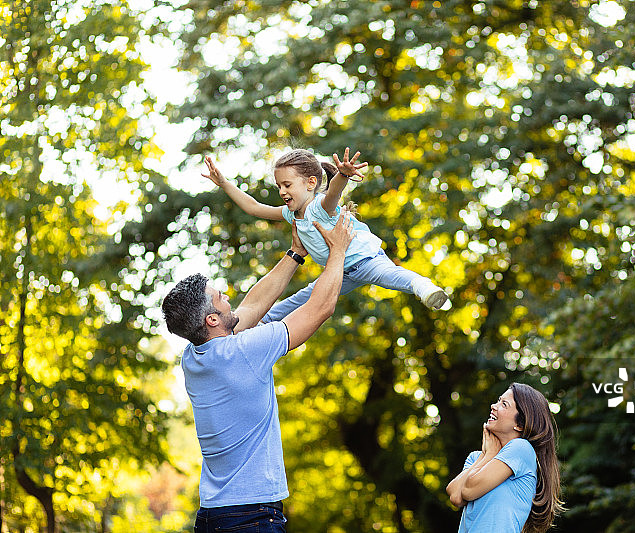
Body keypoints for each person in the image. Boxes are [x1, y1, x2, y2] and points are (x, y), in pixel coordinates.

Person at [161, 214, 354, 533]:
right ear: (211, 320)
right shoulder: (244, 351)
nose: (225, 295)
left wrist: (294, 254)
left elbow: (252, 307)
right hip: (251, 518)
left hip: (213, 516)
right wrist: (338, 251)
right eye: (218, 296)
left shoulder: (194, 357)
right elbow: (320, 308)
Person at [202, 147, 449, 322]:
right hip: (338, 272)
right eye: (279, 186)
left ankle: (425, 288)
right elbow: (254, 207)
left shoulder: (319, 207)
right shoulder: (291, 214)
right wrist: (224, 183)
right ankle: (262, 320)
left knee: (390, 276)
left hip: (366, 260)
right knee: (305, 298)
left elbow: (334, 193)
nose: (281, 191)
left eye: (287, 185)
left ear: (310, 183)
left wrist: (342, 174)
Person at [446, 383, 564, 533]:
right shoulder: (476, 457)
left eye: (504, 404)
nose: (493, 406)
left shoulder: (521, 449)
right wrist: (486, 455)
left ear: (520, 425)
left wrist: (488, 455)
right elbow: (455, 497)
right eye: (498, 400)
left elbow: (468, 490)